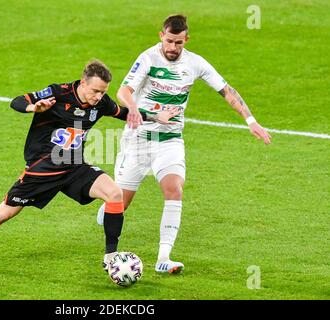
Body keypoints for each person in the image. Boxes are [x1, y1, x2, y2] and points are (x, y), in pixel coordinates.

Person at [0, 59, 178, 271]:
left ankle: (111, 257)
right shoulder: (57, 93)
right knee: (4, 213)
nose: (99, 97)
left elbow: (124, 113)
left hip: (73, 166)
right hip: (42, 169)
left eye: (103, 92)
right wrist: (34, 107)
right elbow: (17, 101)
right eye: (95, 91)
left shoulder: (100, 104)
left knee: (114, 194)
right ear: (83, 83)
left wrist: (157, 117)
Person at [97, 14, 272, 274]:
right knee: (119, 204)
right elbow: (123, 91)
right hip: (138, 139)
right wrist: (133, 110)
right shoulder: (148, 58)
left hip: (170, 140)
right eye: (168, 41)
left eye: (178, 43)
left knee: (174, 188)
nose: (172, 48)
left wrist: (251, 120)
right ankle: (105, 214)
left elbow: (226, 90)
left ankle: (163, 258)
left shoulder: (195, 63)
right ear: (161, 36)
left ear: (186, 40)